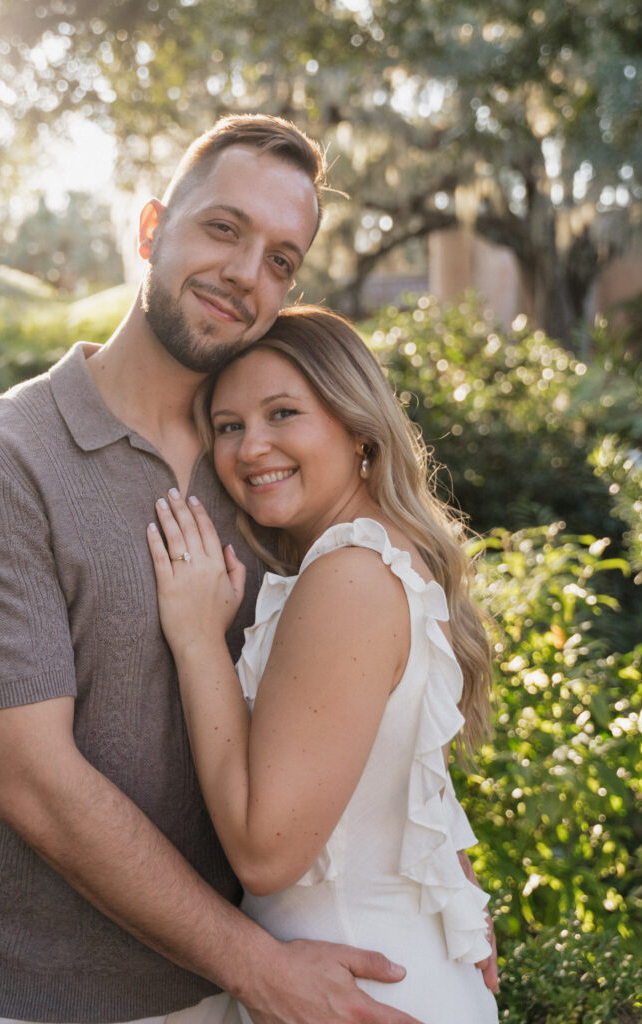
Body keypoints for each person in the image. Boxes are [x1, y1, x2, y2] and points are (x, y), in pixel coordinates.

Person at [0, 115, 435, 1024]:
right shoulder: (4, 464)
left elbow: (366, 675)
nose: (247, 274)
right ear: (153, 230)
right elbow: (32, 781)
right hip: (69, 999)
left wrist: (445, 892)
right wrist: (257, 968)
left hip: (270, 982)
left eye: (282, 259)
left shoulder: (264, 457)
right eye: (224, 229)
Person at [145, 306, 500, 1024]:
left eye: (282, 413)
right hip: (380, 976)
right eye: (229, 425)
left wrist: (195, 641)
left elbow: (264, 853)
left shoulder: (345, 576)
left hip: (356, 989)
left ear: (356, 425)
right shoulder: (386, 557)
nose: (251, 449)